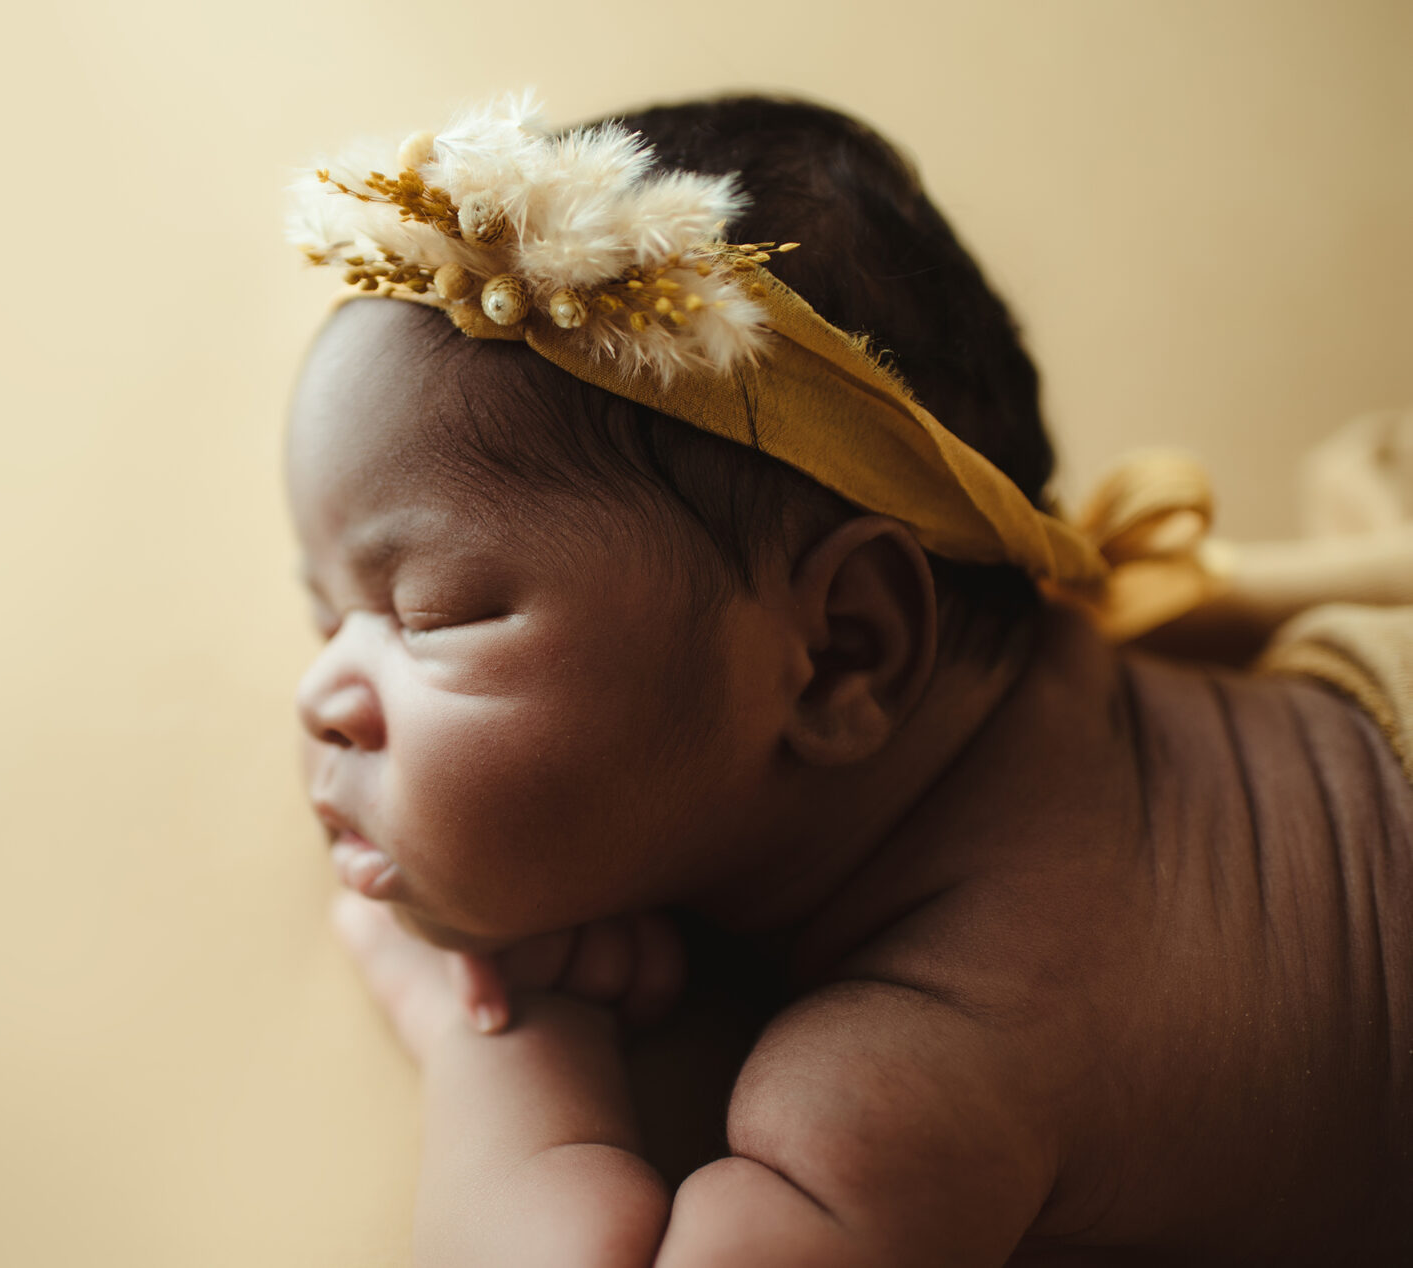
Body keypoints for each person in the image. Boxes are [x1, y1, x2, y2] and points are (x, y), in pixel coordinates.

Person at [284, 93, 1413, 1265]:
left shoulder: (928, 1065)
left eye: (429, 614)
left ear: (844, 650)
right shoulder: (1081, 682)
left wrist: (492, 1030)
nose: (320, 692)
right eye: (323, 619)